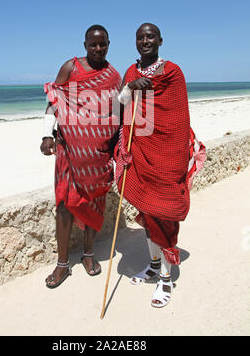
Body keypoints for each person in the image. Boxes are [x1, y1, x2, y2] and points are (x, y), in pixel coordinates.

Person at [116, 23, 205, 307]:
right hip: (140, 151)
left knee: (164, 215)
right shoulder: (130, 72)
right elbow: (121, 102)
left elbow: (179, 117)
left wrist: (178, 157)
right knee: (146, 210)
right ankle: (154, 266)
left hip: (166, 155)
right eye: (140, 37)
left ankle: (166, 280)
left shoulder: (173, 72)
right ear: (135, 42)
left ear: (160, 41)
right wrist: (131, 86)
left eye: (150, 36)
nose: (145, 41)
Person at [40, 25, 121, 288]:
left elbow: (118, 112)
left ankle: (88, 255)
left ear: (109, 44)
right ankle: (62, 264)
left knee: (94, 202)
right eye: (93, 44)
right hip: (68, 150)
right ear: (84, 44)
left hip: (99, 153)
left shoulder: (112, 76)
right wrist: (47, 136)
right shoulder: (70, 68)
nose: (98, 49)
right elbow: (54, 101)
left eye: (103, 44)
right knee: (65, 203)